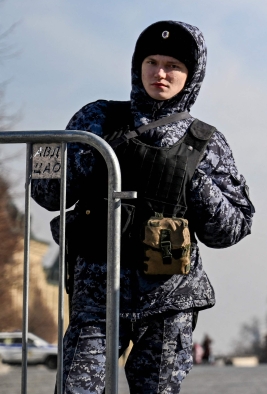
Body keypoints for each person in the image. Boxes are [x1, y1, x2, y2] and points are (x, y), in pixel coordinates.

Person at [31, 21, 254, 394]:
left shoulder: (206, 142)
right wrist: (88, 160)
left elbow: (232, 229)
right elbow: (45, 192)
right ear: (138, 65)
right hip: (97, 298)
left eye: (173, 66)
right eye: (152, 62)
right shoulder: (96, 119)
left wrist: (195, 183)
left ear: (192, 75)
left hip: (169, 301)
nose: (160, 73)